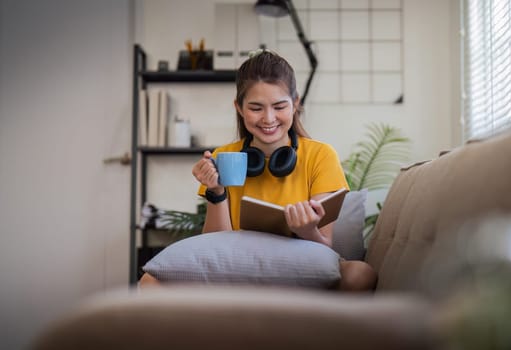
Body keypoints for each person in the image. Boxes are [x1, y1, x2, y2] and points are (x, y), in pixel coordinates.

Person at [139, 50, 377, 291]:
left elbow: (325, 249)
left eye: (279, 106)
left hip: (298, 265)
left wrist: (307, 229)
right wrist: (216, 192)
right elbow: (214, 244)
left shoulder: (321, 156)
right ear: (239, 108)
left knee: (361, 274)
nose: (268, 118)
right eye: (256, 108)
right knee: (150, 283)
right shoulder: (223, 157)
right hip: (237, 267)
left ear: (295, 104)